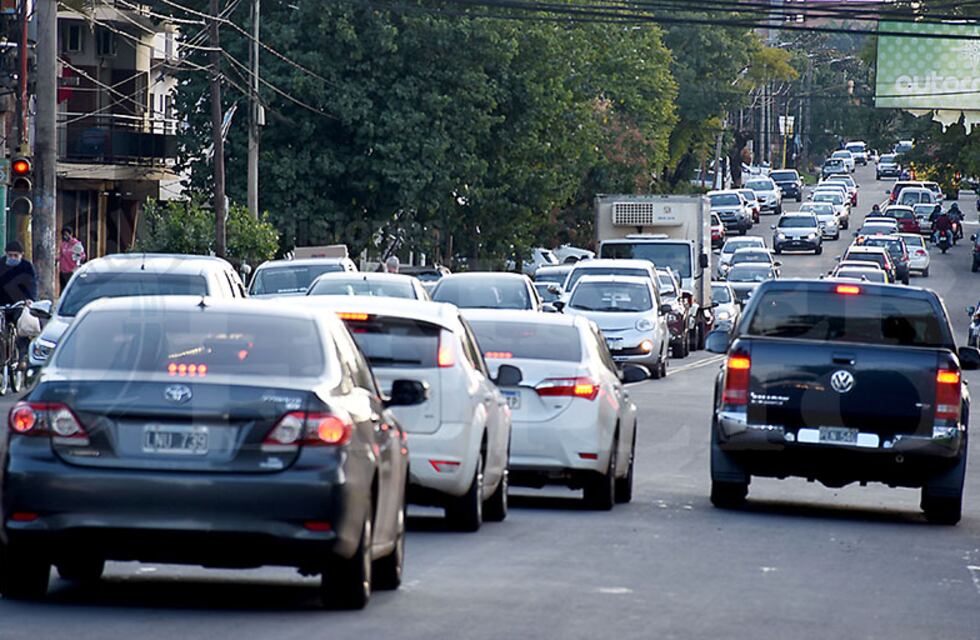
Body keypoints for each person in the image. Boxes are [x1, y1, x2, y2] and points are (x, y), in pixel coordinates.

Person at [58, 225, 86, 290]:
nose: (65, 236)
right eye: (63, 234)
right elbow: (61, 256)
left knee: (71, 289)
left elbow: (82, 256)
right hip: (63, 271)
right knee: (63, 289)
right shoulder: (63, 244)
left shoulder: (75, 244)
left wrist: (77, 259)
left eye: (66, 234)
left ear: (71, 234)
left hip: (72, 271)